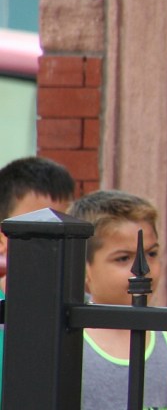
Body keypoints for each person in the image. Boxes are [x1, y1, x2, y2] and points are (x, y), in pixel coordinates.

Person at [69, 190, 167, 410]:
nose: (143, 269)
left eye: (151, 254)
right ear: (84, 269)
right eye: (123, 258)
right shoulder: (68, 338)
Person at [0, 155, 75, 395]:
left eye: (65, 222)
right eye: (37, 223)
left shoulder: (84, 307)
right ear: (2, 237)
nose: (55, 238)